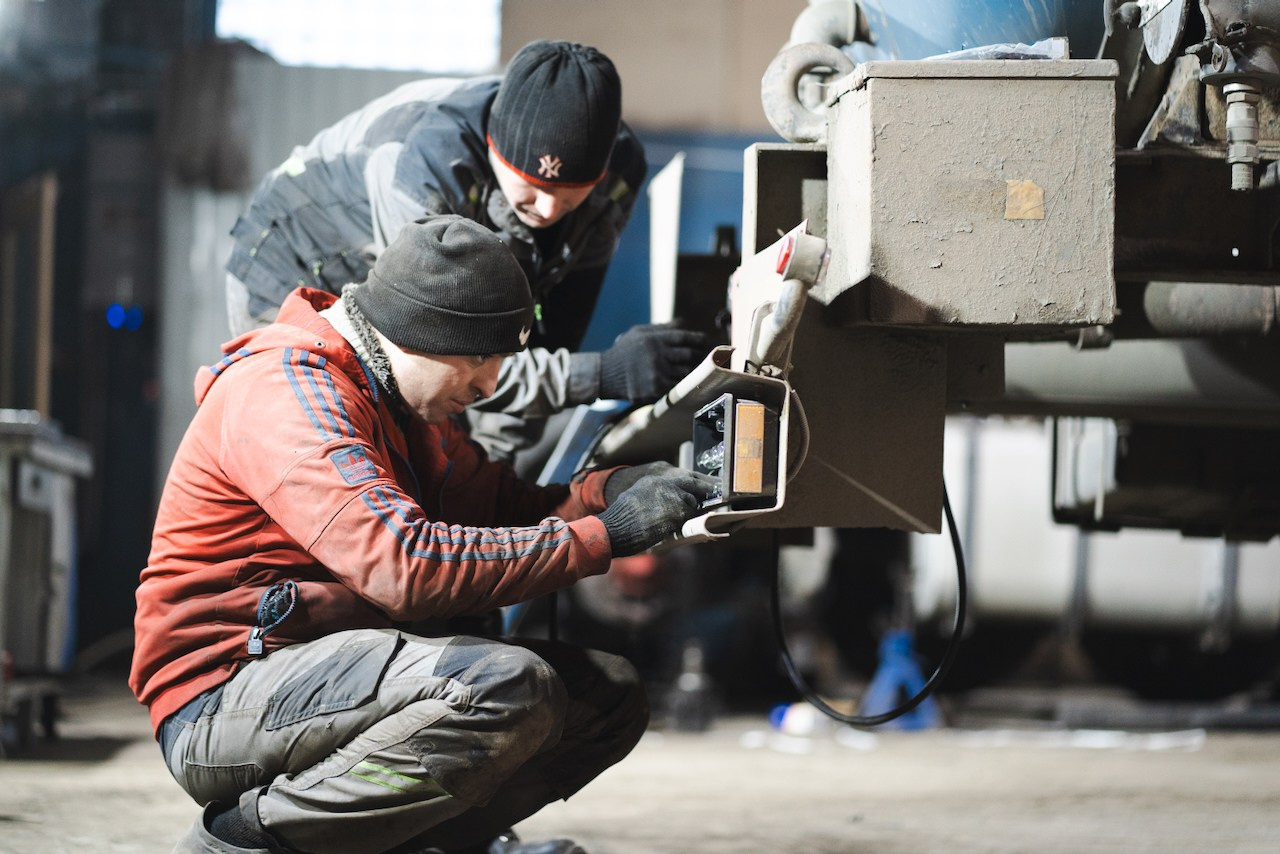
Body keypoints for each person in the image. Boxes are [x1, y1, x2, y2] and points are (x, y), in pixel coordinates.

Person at [132, 216, 718, 854]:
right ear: (421, 330)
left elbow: (497, 505)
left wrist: (603, 492)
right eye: (480, 358)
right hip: (224, 696)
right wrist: (606, 536)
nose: (490, 384)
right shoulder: (287, 391)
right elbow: (404, 567)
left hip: (326, 676)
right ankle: (239, 843)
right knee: (500, 687)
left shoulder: (400, 404)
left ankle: (419, 845)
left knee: (607, 697)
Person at [225, 39, 707, 463]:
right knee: (351, 434)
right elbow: (443, 353)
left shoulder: (617, 171)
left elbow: (549, 335)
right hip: (294, 261)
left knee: (463, 448)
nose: (548, 208)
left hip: (434, 254)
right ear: (495, 149)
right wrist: (602, 374)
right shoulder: (423, 170)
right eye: (533, 186)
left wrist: (499, 477)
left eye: (570, 193)